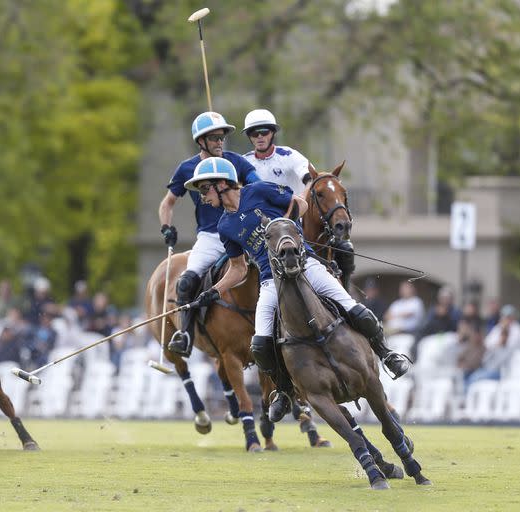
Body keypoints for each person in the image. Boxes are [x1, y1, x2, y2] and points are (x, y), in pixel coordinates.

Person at [184, 157, 411, 422]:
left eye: (204, 189)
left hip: (306, 264)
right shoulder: (225, 226)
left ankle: (386, 354)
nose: (202, 197)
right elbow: (239, 268)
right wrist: (214, 290)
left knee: (350, 305)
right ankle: (282, 390)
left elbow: (301, 204)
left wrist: (287, 225)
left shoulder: (258, 191)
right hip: (271, 280)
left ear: (222, 184)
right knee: (260, 343)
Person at [159, 112, 259, 356]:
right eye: (214, 137)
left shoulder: (237, 162)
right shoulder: (187, 168)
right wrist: (166, 227)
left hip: (242, 231)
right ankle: (185, 334)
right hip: (210, 237)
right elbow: (167, 203)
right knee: (186, 282)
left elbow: (257, 185)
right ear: (200, 141)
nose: (220, 142)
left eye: (221, 137)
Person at [241, 108, 355, 284]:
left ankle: (345, 297)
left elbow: (310, 180)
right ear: (249, 136)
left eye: (264, 132)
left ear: (272, 133)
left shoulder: (288, 155)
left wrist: (300, 199)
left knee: (345, 249)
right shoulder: (244, 162)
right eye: (254, 133)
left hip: (295, 220)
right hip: (259, 225)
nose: (260, 137)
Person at [464, 304, 520, 390]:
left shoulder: (518, 330)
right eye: (504, 316)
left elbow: (510, 346)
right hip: (488, 366)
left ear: (513, 317)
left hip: (503, 370)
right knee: (467, 374)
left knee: (474, 379)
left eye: (508, 316)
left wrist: (500, 343)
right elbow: (487, 344)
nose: (505, 318)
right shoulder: (498, 328)